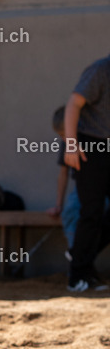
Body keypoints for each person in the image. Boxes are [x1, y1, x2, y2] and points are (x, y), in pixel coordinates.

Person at [62, 52, 110, 292]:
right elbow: (73, 103)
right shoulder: (101, 70)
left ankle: (80, 256)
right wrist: (71, 144)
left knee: (100, 213)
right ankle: (77, 277)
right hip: (91, 147)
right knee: (91, 210)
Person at [48, 106, 110, 268]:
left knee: (98, 213)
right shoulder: (67, 144)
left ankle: (80, 256)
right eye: (61, 136)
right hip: (82, 191)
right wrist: (58, 205)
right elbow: (63, 174)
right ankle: (77, 257)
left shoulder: (95, 139)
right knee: (72, 212)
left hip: (102, 188)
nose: (64, 139)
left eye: (65, 134)